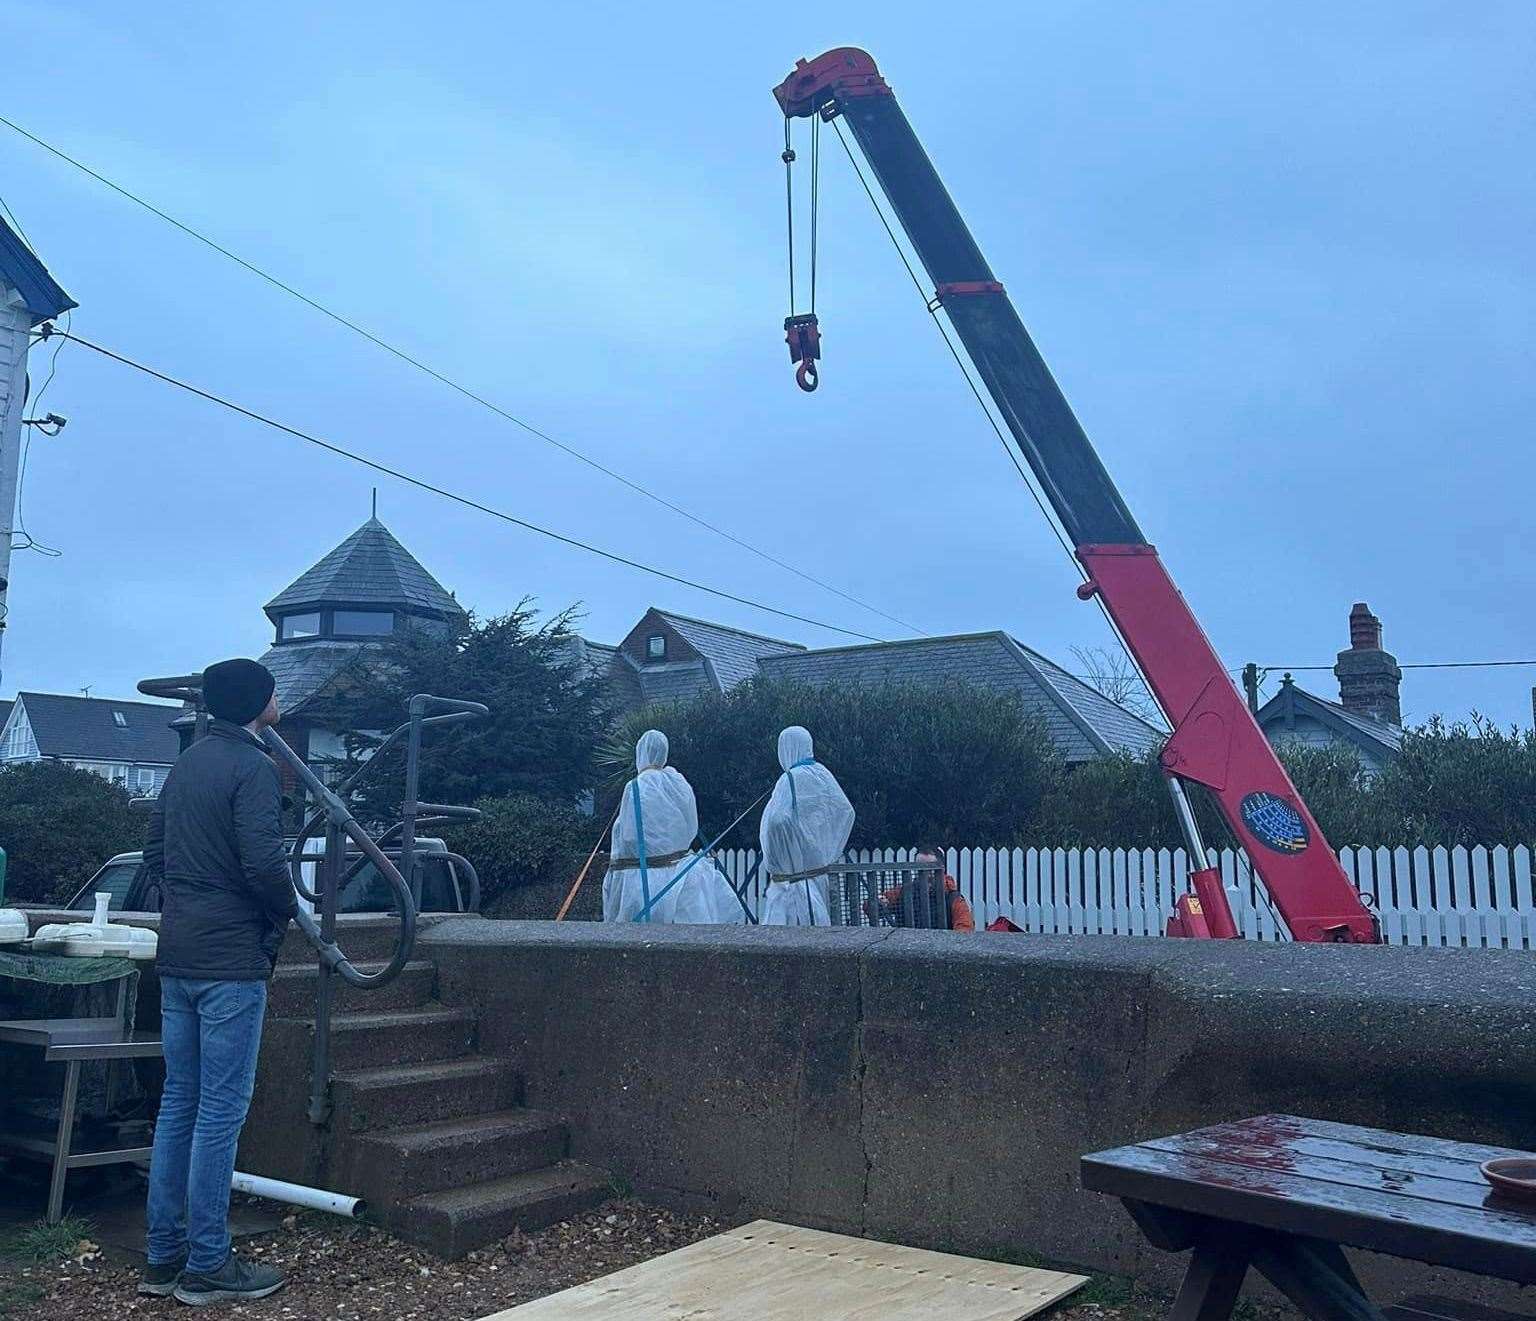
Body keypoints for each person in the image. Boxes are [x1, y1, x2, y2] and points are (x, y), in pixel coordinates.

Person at [140, 659, 296, 1305]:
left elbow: (154, 853)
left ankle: (161, 1257)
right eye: (273, 690)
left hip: (177, 954)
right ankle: (208, 1262)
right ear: (260, 703)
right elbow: (264, 861)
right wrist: (281, 913)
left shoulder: (187, 763)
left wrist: (189, 902)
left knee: (179, 1102)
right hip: (230, 960)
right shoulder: (255, 766)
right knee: (220, 1111)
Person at [602, 730, 744, 924]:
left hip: (643, 879)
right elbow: (690, 822)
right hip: (681, 874)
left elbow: (628, 836)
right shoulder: (677, 781)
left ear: (640, 753)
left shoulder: (635, 786)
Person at [759, 726, 854, 926]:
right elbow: (844, 810)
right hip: (820, 875)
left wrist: (786, 849)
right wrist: (824, 845)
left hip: (793, 882)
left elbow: (777, 819)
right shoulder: (822, 774)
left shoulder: (789, 779)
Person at [873, 846, 976, 931]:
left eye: (929, 867)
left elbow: (964, 930)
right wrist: (878, 902)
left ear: (941, 868)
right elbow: (871, 908)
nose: (923, 872)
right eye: (919, 867)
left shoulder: (953, 898)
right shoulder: (903, 891)